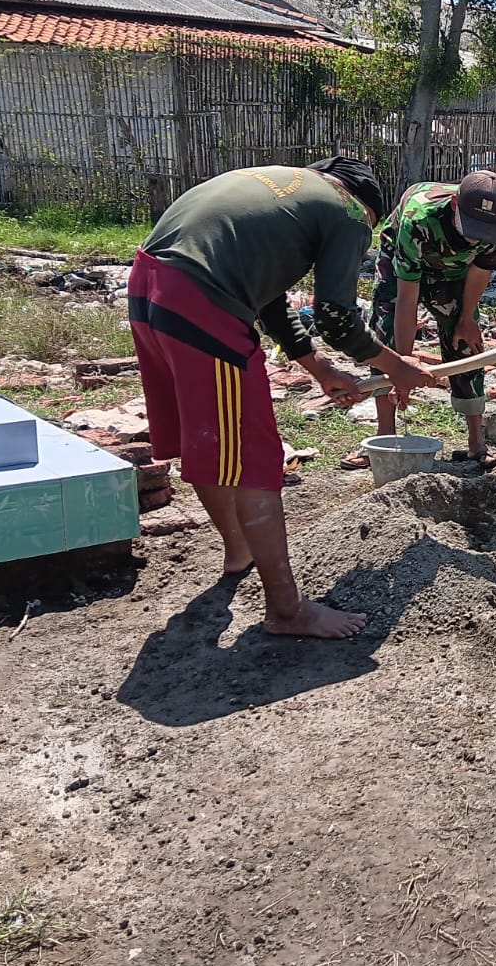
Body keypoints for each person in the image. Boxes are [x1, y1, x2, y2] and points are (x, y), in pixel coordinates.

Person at [129, 157, 438, 638]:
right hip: (203, 300)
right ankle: (288, 611)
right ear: (368, 209)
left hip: (149, 287)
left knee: (206, 435)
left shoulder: (280, 192)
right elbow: (336, 316)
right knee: (256, 458)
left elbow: (267, 297)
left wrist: (319, 369)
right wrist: (397, 366)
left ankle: (239, 550)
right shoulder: (349, 211)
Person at [343, 170, 496, 471]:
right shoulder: (419, 220)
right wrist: (403, 365)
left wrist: (466, 317)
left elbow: (480, 269)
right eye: (472, 228)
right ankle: (384, 441)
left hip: (455, 273)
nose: (476, 237)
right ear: (454, 205)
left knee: (466, 344)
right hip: (402, 262)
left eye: (484, 232)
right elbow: (406, 300)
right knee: (385, 339)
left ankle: (477, 445)